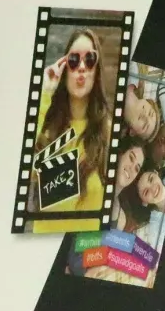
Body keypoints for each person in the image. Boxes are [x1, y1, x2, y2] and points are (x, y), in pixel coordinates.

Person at [31, 28, 111, 233]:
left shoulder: (108, 132)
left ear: (97, 70)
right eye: (74, 60)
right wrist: (45, 92)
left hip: (84, 248)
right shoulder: (46, 126)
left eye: (90, 59)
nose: (81, 67)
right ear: (65, 68)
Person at [111, 136, 147, 229]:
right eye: (131, 158)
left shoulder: (121, 220)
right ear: (120, 154)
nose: (131, 168)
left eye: (136, 168)